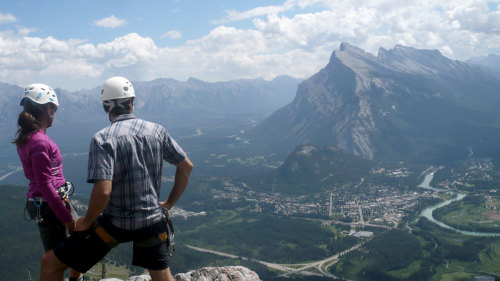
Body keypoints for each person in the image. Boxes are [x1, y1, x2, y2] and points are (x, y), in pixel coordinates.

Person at [40, 76, 193, 281]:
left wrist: (87, 221)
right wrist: (168, 204)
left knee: (50, 264)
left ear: (106, 106)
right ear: (132, 102)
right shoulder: (157, 131)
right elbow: (186, 166)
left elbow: (104, 191)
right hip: (151, 222)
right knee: (162, 275)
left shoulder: (103, 139)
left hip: (114, 225)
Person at [13, 83, 83, 281]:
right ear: (47, 109)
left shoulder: (29, 138)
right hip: (50, 204)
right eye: (54, 109)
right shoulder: (40, 142)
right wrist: (67, 219)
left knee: (70, 251)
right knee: (58, 259)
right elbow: (45, 185)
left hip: (45, 204)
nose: (55, 113)